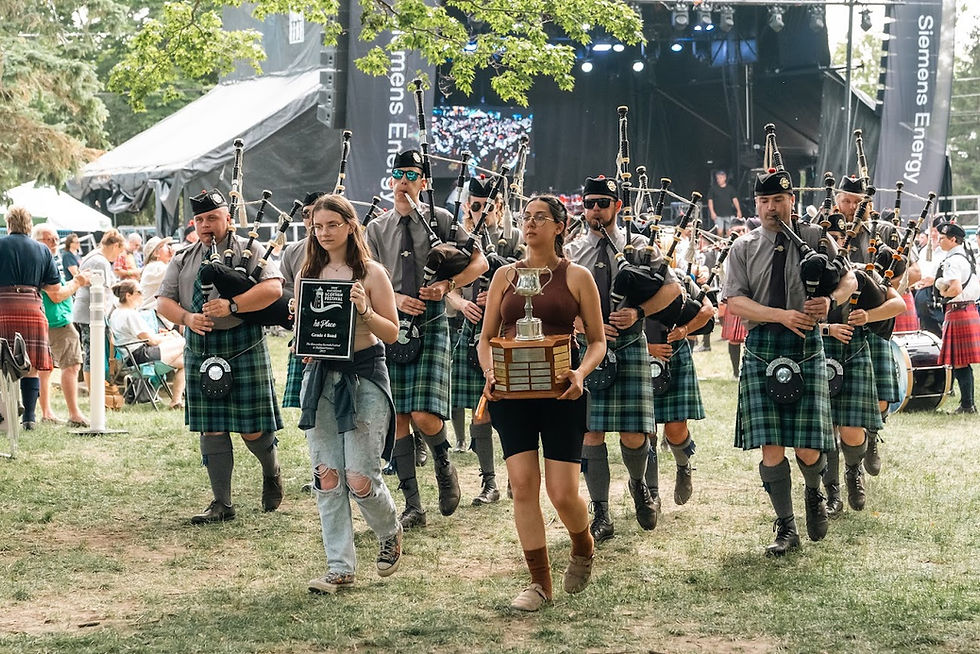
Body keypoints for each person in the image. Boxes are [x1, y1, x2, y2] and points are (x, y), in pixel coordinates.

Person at [477, 194, 605, 611]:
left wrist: (580, 374)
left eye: (540, 218)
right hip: (511, 394)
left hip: (562, 393)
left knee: (563, 492)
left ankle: (583, 544)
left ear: (559, 227)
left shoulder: (577, 276)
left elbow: (598, 342)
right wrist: (490, 372)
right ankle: (539, 584)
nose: (529, 224)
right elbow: (485, 338)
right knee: (523, 487)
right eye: (525, 217)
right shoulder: (504, 277)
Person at [723, 167, 856, 557]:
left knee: (809, 449)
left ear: (791, 201)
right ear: (756, 204)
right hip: (764, 343)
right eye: (764, 201)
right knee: (771, 444)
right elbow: (734, 301)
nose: (771, 208)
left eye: (778, 200)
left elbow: (849, 280)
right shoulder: (743, 247)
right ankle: (786, 525)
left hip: (807, 345)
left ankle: (813, 493)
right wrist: (781, 315)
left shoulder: (815, 239)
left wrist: (831, 301)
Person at [364, 150, 488, 529]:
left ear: (424, 183)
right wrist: (394, 298)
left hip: (431, 321)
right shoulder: (375, 229)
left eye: (411, 175)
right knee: (399, 417)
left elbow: (479, 262)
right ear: (391, 181)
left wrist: (448, 285)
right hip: (390, 319)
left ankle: (443, 464)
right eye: (398, 174)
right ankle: (413, 503)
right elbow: (364, 275)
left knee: (424, 415)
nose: (403, 181)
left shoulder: (442, 221)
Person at [156, 189, 285, 524]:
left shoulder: (252, 248)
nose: (205, 225)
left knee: (252, 430)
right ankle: (221, 503)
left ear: (228, 218)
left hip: (243, 342)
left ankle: (271, 473)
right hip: (202, 347)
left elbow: (273, 288)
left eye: (212, 217)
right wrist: (186, 318)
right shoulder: (183, 257)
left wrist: (234, 305)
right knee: (211, 428)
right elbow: (163, 301)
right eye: (199, 219)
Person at [296, 194, 403, 594]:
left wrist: (365, 311)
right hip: (321, 377)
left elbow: (392, 333)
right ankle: (339, 566)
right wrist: (302, 334)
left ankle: (389, 530)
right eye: (317, 226)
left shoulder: (372, 274)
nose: (324, 233)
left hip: (365, 374)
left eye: (331, 225)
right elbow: (305, 337)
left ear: (350, 226)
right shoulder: (309, 271)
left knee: (360, 477)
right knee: (327, 476)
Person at [565, 176, 680, 541]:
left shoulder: (641, 246)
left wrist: (639, 314)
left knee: (633, 434)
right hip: (588, 349)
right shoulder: (573, 250)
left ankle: (638, 485)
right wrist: (578, 324)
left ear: (618, 206)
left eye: (602, 203)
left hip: (630, 345)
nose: (595, 210)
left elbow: (672, 290)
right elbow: (559, 298)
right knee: (590, 433)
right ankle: (601, 513)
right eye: (589, 203)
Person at [819, 214, 906, 515]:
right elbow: (789, 317)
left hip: (854, 352)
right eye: (827, 238)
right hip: (818, 351)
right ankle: (832, 494)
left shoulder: (861, 274)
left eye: (836, 239)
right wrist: (827, 329)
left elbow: (898, 304)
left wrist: (869, 316)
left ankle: (853, 470)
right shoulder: (805, 275)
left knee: (852, 430)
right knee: (825, 428)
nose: (833, 245)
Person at [446, 175, 522, 505]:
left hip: (512, 334)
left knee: (512, 413)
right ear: (467, 207)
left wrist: (498, 299)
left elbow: (533, 279)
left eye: (487, 206)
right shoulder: (460, 241)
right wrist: (462, 303)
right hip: (473, 333)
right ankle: (488, 483)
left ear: (499, 206)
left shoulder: (517, 238)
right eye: (475, 207)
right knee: (480, 412)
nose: (481, 212)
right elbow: (445, 287)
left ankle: (516, 478)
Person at [0, 208, 86, 430]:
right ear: (29, 225)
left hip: (2, 306)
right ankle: (29, 417)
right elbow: (55, 291)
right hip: (31, 307)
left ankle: (3, 415)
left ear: (9, 224)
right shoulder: (42, 251)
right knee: (32, 366)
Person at [645, 268, 713, 512]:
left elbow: (708, 310)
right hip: (641, 357)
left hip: (676, 355)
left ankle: (683, 466)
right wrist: (647, 347)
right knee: (646, 431)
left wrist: (685, 329)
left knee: (675, 429)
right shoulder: (635, 281)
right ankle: (651, 494)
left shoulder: (681, 279)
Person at [32, 224, 91, 427]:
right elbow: (57, 296)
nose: (55, 243)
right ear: (37, 241)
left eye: (56, 239)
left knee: (44, 369)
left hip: (45, 318)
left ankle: (46, 412)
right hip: (57, 320)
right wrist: (78, 282)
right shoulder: (45, 261)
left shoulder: (44, 260)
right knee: (72, 365)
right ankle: (74, 413)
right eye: (49, 239)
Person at [109, 280, 186, 409]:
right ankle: (176, 401)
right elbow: (152, 341)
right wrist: (168, 336)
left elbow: (148, 339)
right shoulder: (130, 315)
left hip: (129, 359)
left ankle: (176, 401)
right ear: (128, 295)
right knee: (185, 344)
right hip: (141, 359)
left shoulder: (116, 313)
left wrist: (166, 336)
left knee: (184, 361)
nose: (143, 295)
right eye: (139, 292)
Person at [280, 191, 325, 410]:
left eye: (317, 212)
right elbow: (285, 290)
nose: (311, 219)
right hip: (305, 333)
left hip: (341, 333)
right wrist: (293, 304)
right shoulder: (292, 251)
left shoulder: (348, 250)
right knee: (309, 403)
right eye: (306, 214)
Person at [934, 221, 980, 413]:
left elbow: (955, 288)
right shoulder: (964, 257)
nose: (939, 241)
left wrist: (942, 294)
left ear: (953, 240)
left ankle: (968, 405)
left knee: (960, 361)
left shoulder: (953, 260)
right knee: (961, 361)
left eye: (942, 238)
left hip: (958, 309)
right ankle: (967, 403)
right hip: (967, 309)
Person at [72, 229, 124, 386]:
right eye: (119, 252)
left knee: (93, 353)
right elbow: (103, 290)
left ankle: (96, 389)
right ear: (115, 245)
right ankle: (93, 391)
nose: (117, 257)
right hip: (91, 315)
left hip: (87, 313)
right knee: (93, 354)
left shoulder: (94, 257)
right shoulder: (100, 261)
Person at [140, 236, 174, 310]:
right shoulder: (156, 266)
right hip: (153, 313)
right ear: (156, 253)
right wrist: (176, 255)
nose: (169, 248)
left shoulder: (154, 266)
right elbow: (176, 274)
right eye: (165, 246)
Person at [707, 170, 742, 236]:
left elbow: (735, 200)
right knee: (719, 232)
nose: (718, 180)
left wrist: (738, 211)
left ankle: (729, 245)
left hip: (729, 214)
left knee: (730, 232)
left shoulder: (730, 188)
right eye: (717, 178)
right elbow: (710, 201)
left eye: (720, 178)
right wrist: (712, 212)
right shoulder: (713, 189)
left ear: (724, 178)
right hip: (718, 215)